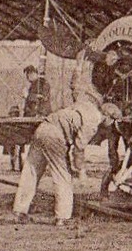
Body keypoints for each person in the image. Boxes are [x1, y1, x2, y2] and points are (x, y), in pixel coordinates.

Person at [13, 97, 116, 227]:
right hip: (55, 135)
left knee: (31, 172)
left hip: (42, 129)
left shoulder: (86, 105)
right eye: (112, 121)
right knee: (63, 176)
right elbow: (79, 148)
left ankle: (19, 212)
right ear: (107, 118)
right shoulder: (93, 122)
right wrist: (80, 170)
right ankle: (62, 217)